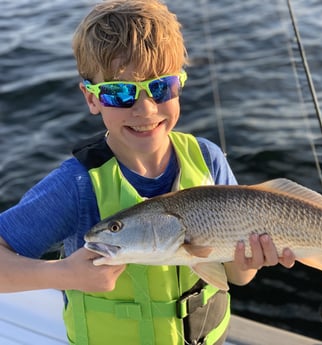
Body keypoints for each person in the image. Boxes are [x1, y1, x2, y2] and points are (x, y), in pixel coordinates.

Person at [0, 1, 295, 344]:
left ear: (180, 85)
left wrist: (251, 260)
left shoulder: (209, 159)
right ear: (91, 98)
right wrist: (63, 273)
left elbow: (237, 277)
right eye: (120, 92)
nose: (145, 110)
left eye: (159, 87)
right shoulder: (76, 186)